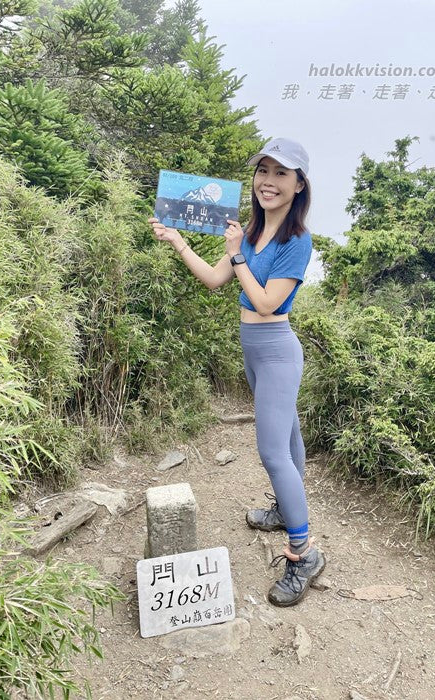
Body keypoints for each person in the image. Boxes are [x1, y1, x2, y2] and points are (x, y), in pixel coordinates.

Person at [149, 137, 325, 607]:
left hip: (278, 351)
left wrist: (239, 254)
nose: (268, 181)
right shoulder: (248, 233)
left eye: (280, 174)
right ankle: (286, 511)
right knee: (288, 442)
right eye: (262, 171)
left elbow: (267, 302)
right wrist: (179, 242)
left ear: (299, 184)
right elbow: (213, 279)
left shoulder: (295, 241)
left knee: (272, 451)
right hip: (253, 350)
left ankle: (303, 553)